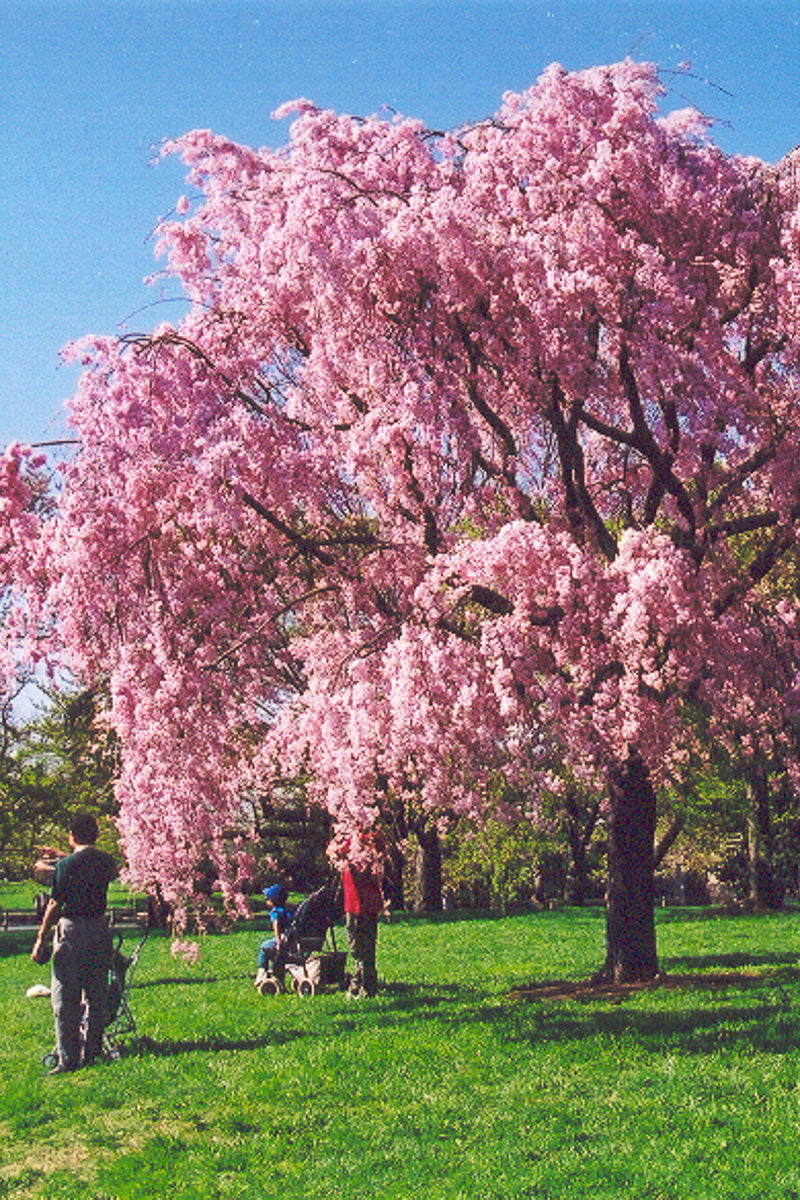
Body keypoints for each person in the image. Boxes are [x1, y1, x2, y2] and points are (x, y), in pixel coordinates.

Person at [31, 813, 117, 1074]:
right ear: (97, 835)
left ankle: (68, 1059)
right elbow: (88, 863)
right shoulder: (107, 862)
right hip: (100, 928)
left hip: (73, 930)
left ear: (71, 836)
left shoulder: (65, 866)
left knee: (65, 997)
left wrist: (41, 939)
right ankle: (93, 1053)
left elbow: (55, 904)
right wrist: (63, 855)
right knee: (96, 994)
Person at [342, 839, 386, 998]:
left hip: (364, 906)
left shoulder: (371, 843)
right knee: (356, 947)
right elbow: (337, 852)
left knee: (364, 947)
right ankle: (359, 982)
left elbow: (369, 873)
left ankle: (366, 986)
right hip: (353, 905)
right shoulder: (349, 840)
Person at [254, 883, 294, 989]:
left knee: (263, 947)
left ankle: (262, 972)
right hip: (292, 939)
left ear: (272, 901)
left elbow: (276, 926)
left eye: (267, 899)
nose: (266, 901)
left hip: (284, 940)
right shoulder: (288, 910)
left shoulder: (275, 912)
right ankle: (278, 976)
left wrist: (278, 941)